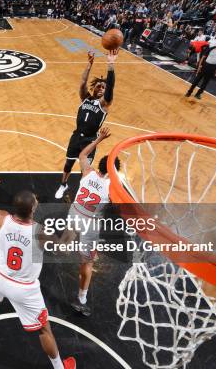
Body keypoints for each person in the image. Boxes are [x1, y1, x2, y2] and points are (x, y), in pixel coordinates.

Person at [0, 177, 76, 369]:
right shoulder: (40, 232)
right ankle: (60, 367)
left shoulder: (1, 218)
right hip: (24, 289)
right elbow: (64, 250)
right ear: (33, 210)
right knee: (44, 330)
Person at [66, 128, 119, 316]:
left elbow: (82, 154)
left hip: (73, 216)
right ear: (114, 172)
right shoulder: (113, 189)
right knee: (87, 264)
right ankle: (81, 299)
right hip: (89, 227)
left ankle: (66, 241)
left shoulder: (88, 172)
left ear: (100, 166)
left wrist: (99, 139)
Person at [55, 49, 118, 199]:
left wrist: (110, 64)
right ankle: (63, 185)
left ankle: (81, 194)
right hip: (76, 136)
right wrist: (89, 65)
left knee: (85, 170)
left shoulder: (104, 104)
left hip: (89, 140)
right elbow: (83, 82)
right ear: (94, 88)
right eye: (99, 86)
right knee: (68, 164)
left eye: (104, 87)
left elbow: (110, 90)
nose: (101, 89)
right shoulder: (85, 98)